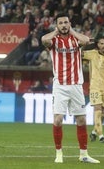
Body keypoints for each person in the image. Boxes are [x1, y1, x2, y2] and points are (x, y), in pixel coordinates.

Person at [41, 13, 100, 164]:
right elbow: (44, 40)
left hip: (76, 85)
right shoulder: (53, 41)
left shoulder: (76, 39)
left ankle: (84, 154)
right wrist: (56, 31)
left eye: (66, 23)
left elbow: (87, 40)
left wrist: (72, 30)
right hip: (60, 85)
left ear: (70, 23)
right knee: (58, 119)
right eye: (60, 23)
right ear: (57, 25)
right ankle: (59, 153)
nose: (63, 25)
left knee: (81, 119)